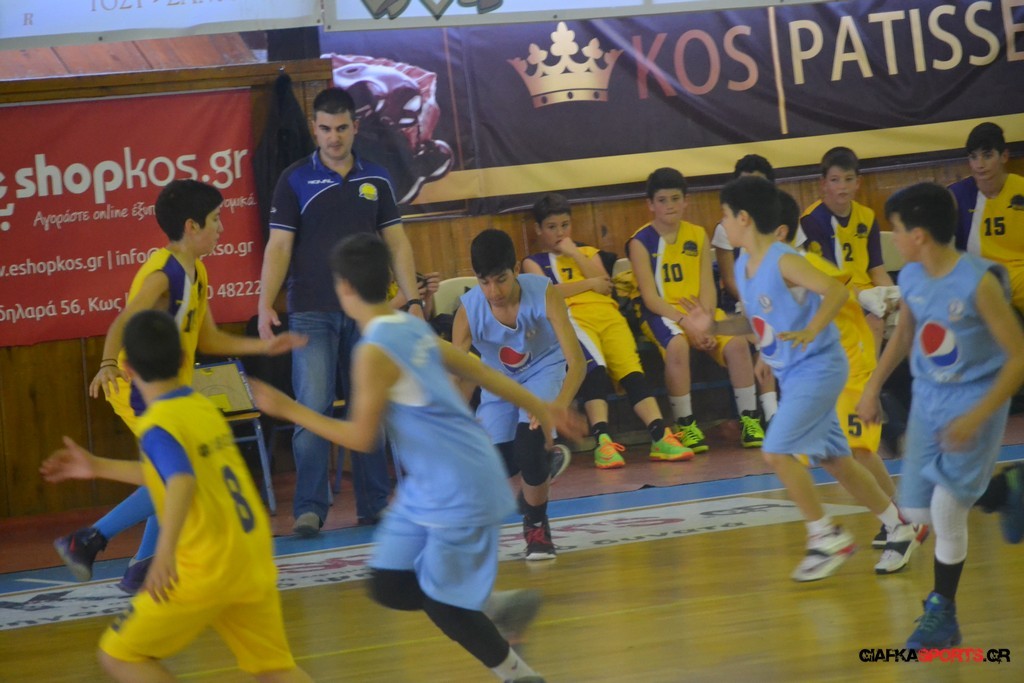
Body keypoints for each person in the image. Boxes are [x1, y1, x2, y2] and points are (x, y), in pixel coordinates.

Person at [251, 233, 582, 683]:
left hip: (458, 480)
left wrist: (288, 408)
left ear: (343, 289)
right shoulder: (406, 325)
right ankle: (498, 607)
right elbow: (476, 368)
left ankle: (520, 675)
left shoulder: (374, 350)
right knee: (389, 583)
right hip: (432, 480)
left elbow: (362, 438)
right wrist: (541, 407)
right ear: (389, 282)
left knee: (442, 601)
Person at [53, 179, 305, 593]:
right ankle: (91, 541)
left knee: (172, 473)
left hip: (171, 391)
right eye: (215, 219)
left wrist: (264, 346)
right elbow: (123, 321)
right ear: (191, 225)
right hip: (137, 387)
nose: (221, 227)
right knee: (176, 474)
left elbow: (209, 340)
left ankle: (137, 566)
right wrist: (106, 364)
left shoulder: (197, 270)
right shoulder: (162, 274)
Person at [41, 310, 312, 683]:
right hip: (250, 556)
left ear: (128, 370)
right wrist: (97, 466)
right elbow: (169, 474)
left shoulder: (158, 424)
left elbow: (181, 480)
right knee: (274, 669)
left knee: (119, 655)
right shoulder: (203, 407)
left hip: (206, 566)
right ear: (185, 359)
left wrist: (164, 554)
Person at [686, 175, 919, 582]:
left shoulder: (783, 259)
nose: (722, 224)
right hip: (793, 373)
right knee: (835, 459)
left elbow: (835, 291)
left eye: (725, 215)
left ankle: (825, 537)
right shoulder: (743, 264)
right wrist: (717, 328)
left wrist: (812, 330)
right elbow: (759, 321)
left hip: (819, 367)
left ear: (744, 218)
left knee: (777, 451)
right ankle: (899, 524)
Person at [857, 182, 1024, 649]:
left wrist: (977, 416)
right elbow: (905, 334)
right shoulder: (911, 276)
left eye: (895, 229)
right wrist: (872, 386)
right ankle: (1004, 490)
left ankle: (942, 612)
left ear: (919, 235)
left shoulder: (977, 282)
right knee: (914, 512)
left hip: (975, 401)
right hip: (929, 401)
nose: (894, 238)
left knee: (948, 509)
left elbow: (1018, 357)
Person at [257, 86, 424, 536]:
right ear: (314, 129)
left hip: (368, 314)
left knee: (369, 405)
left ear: (356, 127)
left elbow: (397, 243)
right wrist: (264, 303)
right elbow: (278, 246)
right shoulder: (294, 179)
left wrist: (413, 299)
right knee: (312, 407)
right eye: (326, 129)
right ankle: (310, 509)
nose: (334, 137)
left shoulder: (378, 178)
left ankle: (375, 503)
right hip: (311, 311)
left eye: (342, 128)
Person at [776, 189, 927, 566]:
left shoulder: (805, 263)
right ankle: (900, 519)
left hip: (849, 359)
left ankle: (899, 521)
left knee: (854, 449)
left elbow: (841, 292)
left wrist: (869, 298)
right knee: (846, 451)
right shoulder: (769, 267)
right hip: (823, 368)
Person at [523, 193, 690, 469]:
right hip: (574, 320)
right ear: (539, 229)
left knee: (632, 371)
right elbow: (548, 292)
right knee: (595, 370)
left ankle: (660, 435)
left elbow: (605, 283)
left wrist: (575, 253)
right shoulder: (534, 262)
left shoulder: (588, 253)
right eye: (552, 227)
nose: (560, 233)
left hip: (609, 317)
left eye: (565, 225)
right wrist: (589, 284)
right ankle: (603, 442)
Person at [452, 229, 585, 560]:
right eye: (484, 283)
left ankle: (536, 527)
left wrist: (559, 406)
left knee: (529, 445)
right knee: (494, 467)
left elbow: (577, 362)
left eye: (501, 280)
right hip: (498, 383)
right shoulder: (468, 312)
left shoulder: (544, 293)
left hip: (543, 371)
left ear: (515, 270)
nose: (494, 291)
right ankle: (540, 466)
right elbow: (459, 375)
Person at [627, 168, 765, 454]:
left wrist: (706, 321)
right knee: (677, 344)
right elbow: (650, 298)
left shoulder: (697, 234)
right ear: (650, 204)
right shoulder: (640, 242)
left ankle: (750, 419)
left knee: (737, 343)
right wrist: (687, 324)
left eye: (675, 198)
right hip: (662, 313)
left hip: (700, 311)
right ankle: (685, 423)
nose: (670, 205)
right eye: (662, 200)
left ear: (686, 201)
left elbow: (708, 287)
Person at [800, 147, 896, 354]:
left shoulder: (867, 216)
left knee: (909, 317)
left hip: (868, 291)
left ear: (858, 182)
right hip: (836, 294)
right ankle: (870, 375)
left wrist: (894, 296)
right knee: (874, 321)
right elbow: (831, 278)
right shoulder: (812, 220)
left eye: (848, 179)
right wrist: (866, 299)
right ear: (823, 184)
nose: (842, 187)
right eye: (835, 180)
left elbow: (877, 270)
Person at [949, 122, 1024, 316]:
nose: (979, 165)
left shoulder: (1021, 188)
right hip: (981, 278)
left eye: (987, 155)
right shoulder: (957, 196)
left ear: (1004, 156)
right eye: (973, 157)